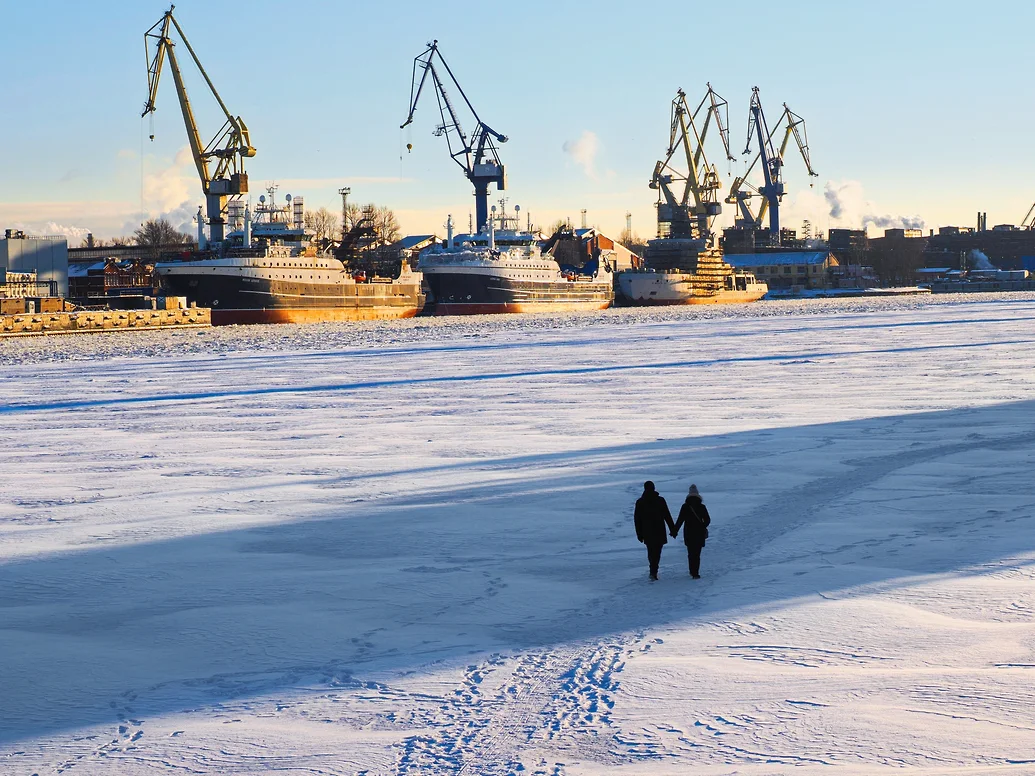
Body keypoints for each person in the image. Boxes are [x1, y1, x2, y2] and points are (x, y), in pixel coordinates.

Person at [634, 481, 675, 581]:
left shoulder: (640, 502)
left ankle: (653, 570)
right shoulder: (660, 500)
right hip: (659, 530)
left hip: (647, 531)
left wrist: (639, 534)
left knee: (651, 551)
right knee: (657, 552)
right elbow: (667, 516)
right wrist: (673, 529)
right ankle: (653, 570)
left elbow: (637, 520)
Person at [672, 483, 711, 579]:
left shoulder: (685, 506)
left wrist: (674, 531)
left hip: (688, 533)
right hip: (699, 533)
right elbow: (707, 520)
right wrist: (702, 526)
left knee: (690, 553)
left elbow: (680, 520)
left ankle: (691, 571)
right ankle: (695, 573)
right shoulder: (702, 507)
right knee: (697, 553)